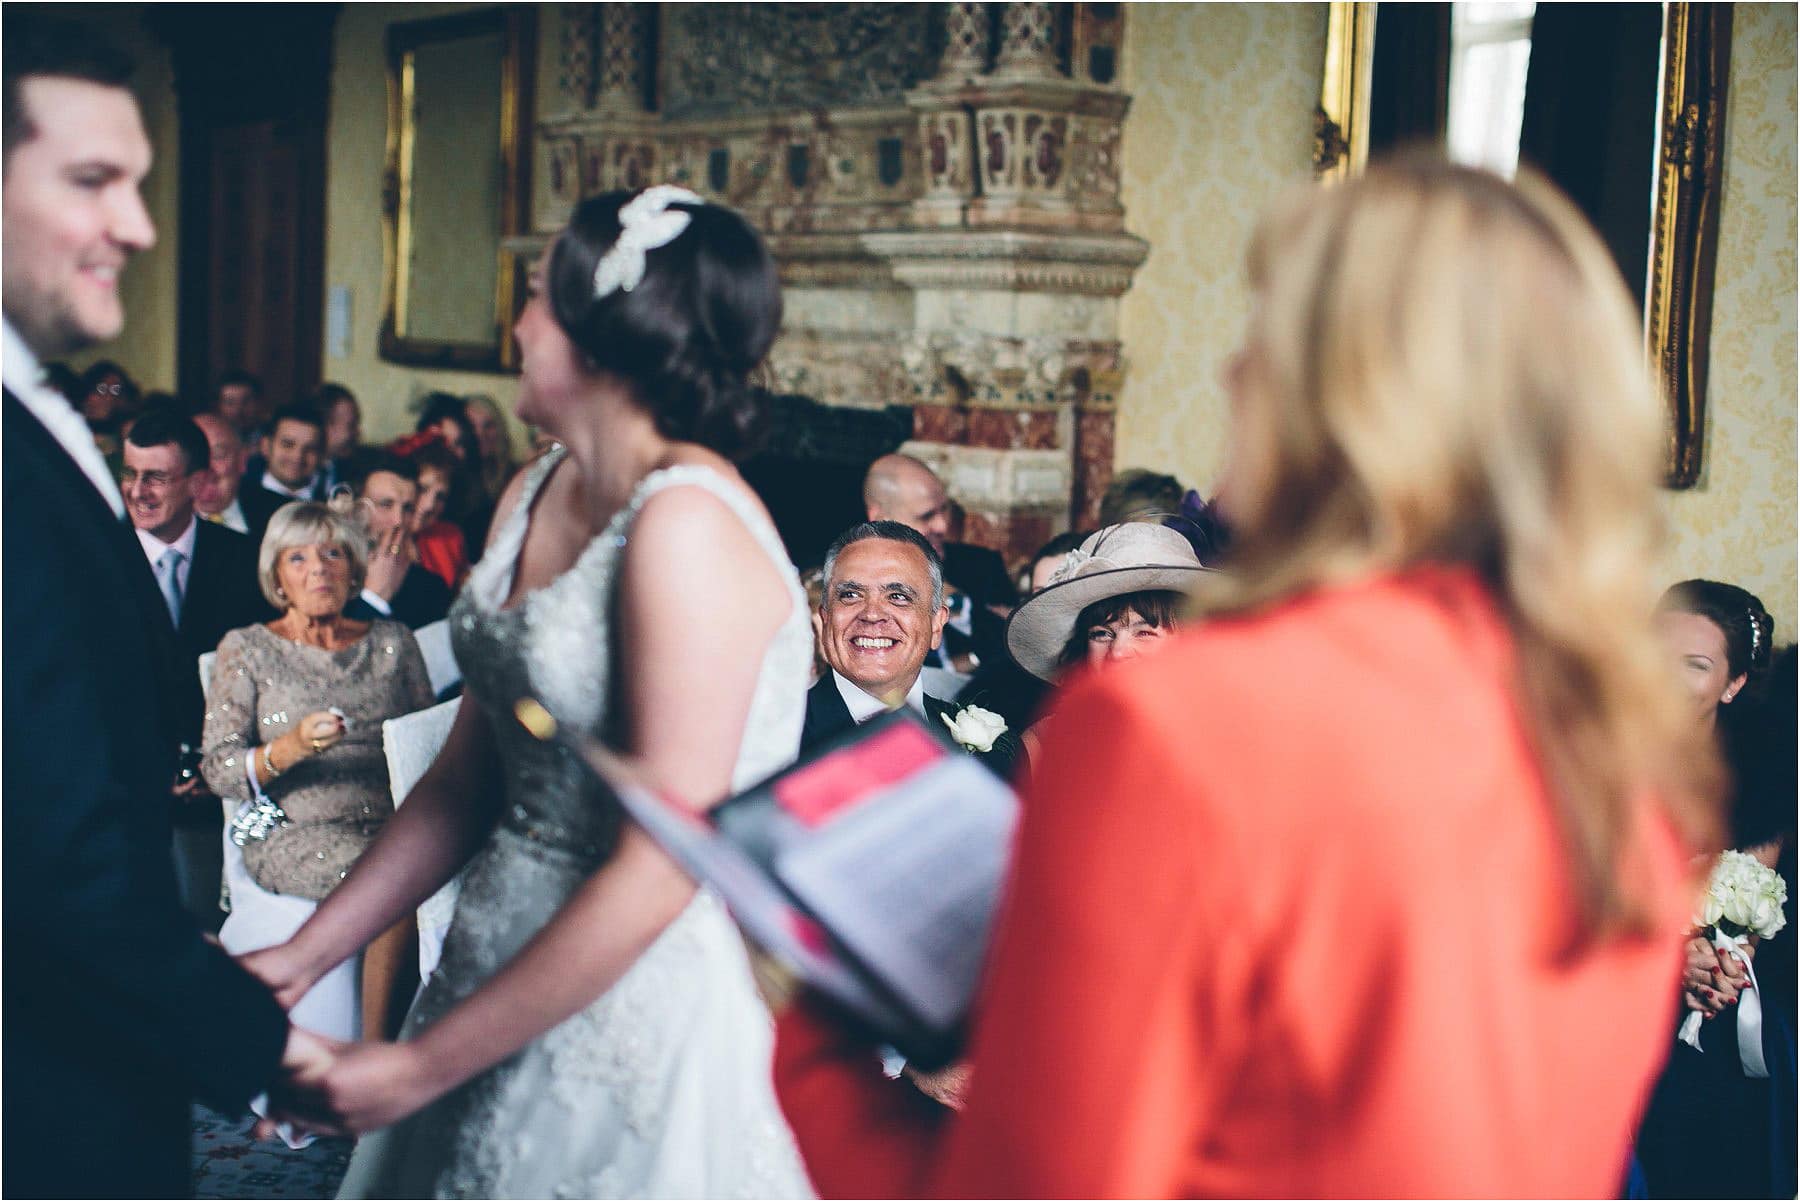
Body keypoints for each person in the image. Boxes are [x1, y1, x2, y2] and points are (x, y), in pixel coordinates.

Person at [773, 155, 1716, 1197]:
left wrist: (806, 1024)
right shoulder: (1622, 761)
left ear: (1348, 399)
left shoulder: (1176, 724)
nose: (1229, 379)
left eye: (1264, 342)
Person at [239, 184, 815, 1197]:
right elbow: (467, 779)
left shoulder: (689, 528)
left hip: (631, 997)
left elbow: (659, 868)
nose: (515, 321)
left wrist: (417, 1066)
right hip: (491, 951)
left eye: (539, 296)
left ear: (606, 333)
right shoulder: (532, 489)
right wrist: (303, 952)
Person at [1, 14, 319, 1195]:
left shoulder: (31, 414)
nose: (137, 226)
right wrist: (259, 1048)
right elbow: (43, 845)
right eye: (94, 181)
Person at [202, 500, 434, 1042]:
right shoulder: (248, 649)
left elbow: (428, 747)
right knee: (397, 882)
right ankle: (374, 1069)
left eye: (333, 553)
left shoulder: (393, 642)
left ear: (354, 567)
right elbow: (218, 769)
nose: (319, 569)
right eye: (299, 558)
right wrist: (290, 746)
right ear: (277, 575)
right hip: (295, 829)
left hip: (393, 821)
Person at [1636, 580, 1791, 1199]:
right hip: (1621, 967)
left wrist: (1725, 955)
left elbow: (1751, 888)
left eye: (1695, 665)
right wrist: (1667, 955)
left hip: (1716, 993)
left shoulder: (1763, 772)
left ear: (1733, 684)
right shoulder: (1596, 753)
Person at [124, 408, 274, 928]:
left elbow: (268, 674)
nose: (138, 491)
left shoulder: (244, 560)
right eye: (130, 474)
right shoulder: (97, 559)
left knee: (207, 933)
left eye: (156, 477)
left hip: (218, 800)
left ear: (198, 483)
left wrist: (223, 762)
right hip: (122, 795)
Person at [802, 520, 1011, 776]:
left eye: (898, 597)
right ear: (825, 618)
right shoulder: (773, 739)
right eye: (851, 595)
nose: (872, 614)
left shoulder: (996, 755)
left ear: (936, 625)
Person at [863, 452, 1015, 671]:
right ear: (881, 519)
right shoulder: (849, 579)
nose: (942, 526)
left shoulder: (983, 566)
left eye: (945, 509)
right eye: (926, 516)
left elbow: (1013, 646)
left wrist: (955, 601)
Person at [343, 453, 452, 630]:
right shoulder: (327, 575)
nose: (399, 520)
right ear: (354, 510)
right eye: (385, 505)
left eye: (408, 508)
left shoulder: (431, 588)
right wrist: (373, 598)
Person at [240, 401, 326, 543]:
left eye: (310, 449)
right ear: (266, 446)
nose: (298, 456)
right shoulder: (240, 500)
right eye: (288, 445)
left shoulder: (328, 508)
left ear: (322, 455)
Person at [406, 439, 470, 590]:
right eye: (422, 489)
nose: (429, 505)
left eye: (440, 497)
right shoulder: (380, 535)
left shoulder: (451, 537)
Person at [194, 410, 252, 533]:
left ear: (242, 460)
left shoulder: (276, 513)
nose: (207, 469)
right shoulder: (162, 526)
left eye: (217, 455)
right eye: (197, 456)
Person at [465, 391, 518, 503]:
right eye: (471, 426)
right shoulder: (454, 477)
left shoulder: (517, 476)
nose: (480, 434)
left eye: (488, 426)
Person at [314, 381, 365, 495]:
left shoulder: (356, 473)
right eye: (352, 425)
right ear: (325, 426)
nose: (358, 432)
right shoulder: (294, 468)